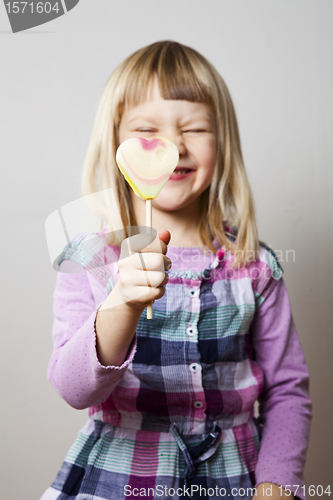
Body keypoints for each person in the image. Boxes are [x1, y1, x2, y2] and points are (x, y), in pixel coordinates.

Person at [40, 41, 312, 500]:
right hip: (121, 476)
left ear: (222, 140)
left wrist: (277, 485)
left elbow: (288, 389)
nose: (175, 145)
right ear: (115, 144)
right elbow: (73, 389)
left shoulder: (256, 265)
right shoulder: (89, 260)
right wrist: (121, 304)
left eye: (196, 128)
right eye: (148, 128)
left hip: (236, 478)